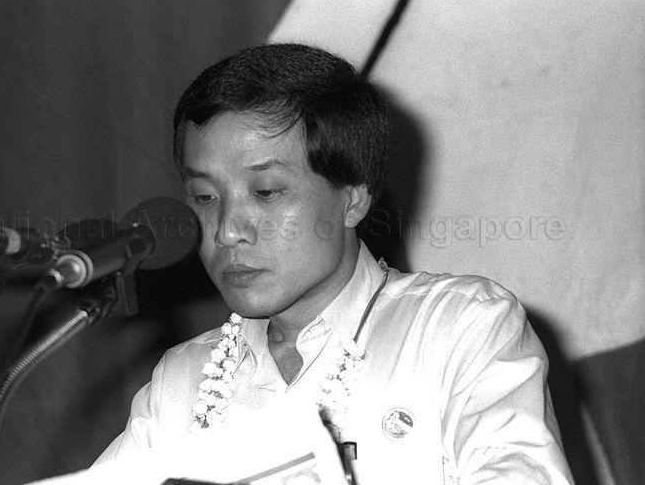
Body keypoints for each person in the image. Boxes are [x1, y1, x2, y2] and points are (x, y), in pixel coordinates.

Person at [94, 43, 574, 484]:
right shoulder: (183, 379)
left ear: (353, 198)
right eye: (203, 196)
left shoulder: (459, 325)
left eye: (265, 193)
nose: (226, 230)